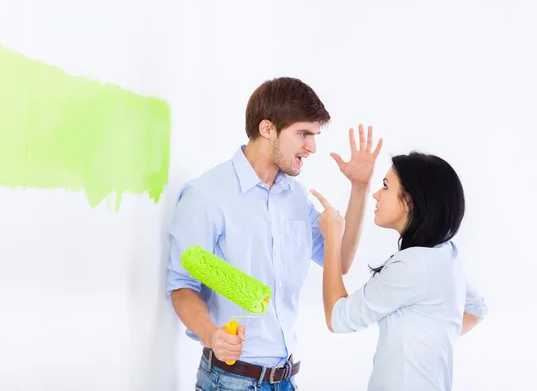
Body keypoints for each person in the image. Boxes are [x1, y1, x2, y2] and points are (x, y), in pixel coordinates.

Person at [166, 77, 383, 390]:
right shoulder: (206, 195)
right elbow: (181, 287)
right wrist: (212, 334)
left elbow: (340, 261)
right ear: (267, 129)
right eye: (303, 134)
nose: (312, 147)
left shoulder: (295, 197)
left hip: (285, 379)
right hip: (230, 381)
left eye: (314, 135)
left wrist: (360, 188)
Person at [310, 151, 488, 391]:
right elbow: (477, 309)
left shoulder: (410, 266)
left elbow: (337, 318)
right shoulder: (445, 254)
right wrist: (429, 338)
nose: (376, 194)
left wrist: (332, 238)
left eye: (385, 187)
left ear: (409, 201)